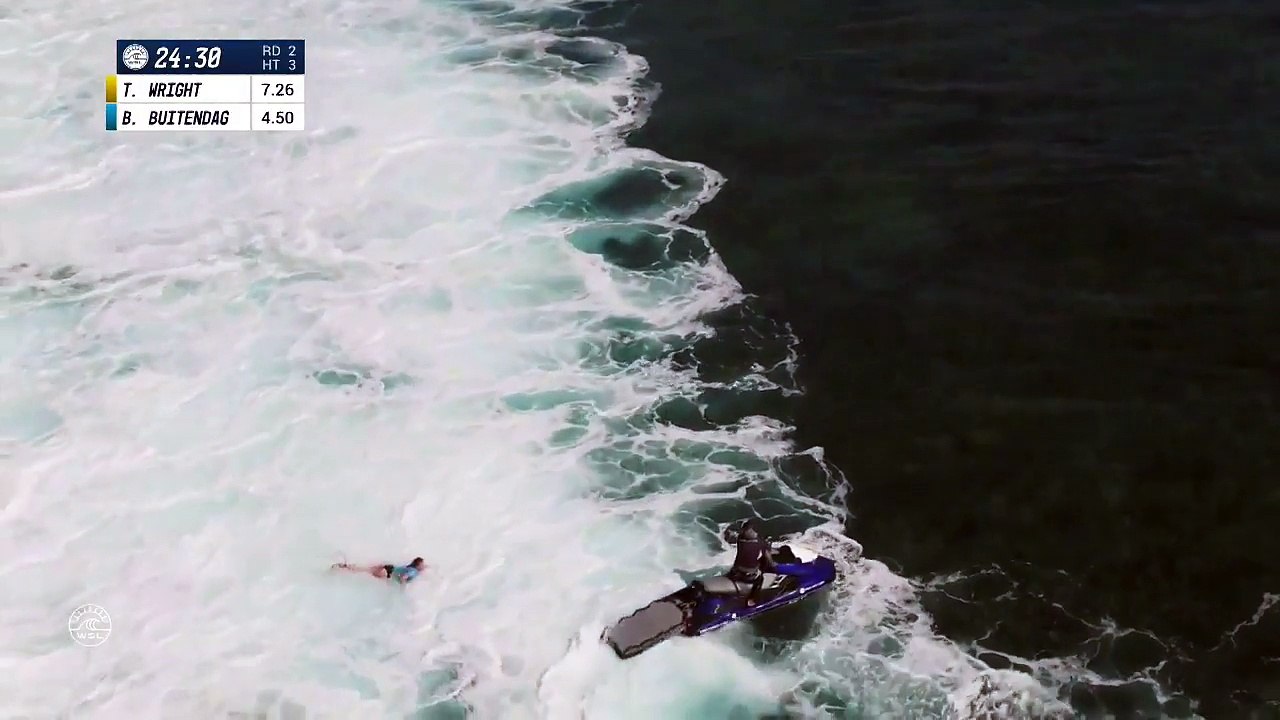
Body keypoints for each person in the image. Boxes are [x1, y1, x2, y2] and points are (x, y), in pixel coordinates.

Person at [724, 519, 778, 606]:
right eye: (752, 531)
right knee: (760, 579)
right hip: (746, 576)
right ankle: (752, 599)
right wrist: (773, 564)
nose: (755, 533)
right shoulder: (760, 543)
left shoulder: (740, 539)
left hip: (735, 573)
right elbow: (768, 556)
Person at [332, 557, 426, 584]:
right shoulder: (414, 571)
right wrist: (402, 589)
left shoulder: (412, 568)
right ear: (418, 565)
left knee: (365, 570)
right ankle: (343, 569)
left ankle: (345, 566)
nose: (424, 566)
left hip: (388, 567)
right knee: (365, 571)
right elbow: (403, 577)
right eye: (422, 565)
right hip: (387, 572)